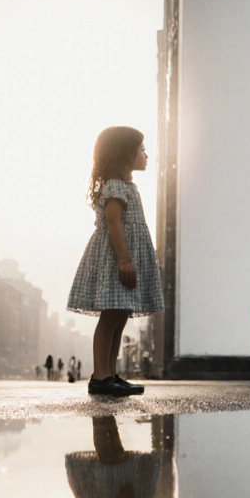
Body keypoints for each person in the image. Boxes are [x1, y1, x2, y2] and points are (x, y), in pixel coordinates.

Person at [68, 126, 162, 395]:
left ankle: (109, 373)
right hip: (115, 259)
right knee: (110, 318)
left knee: (120, 317)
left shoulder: (126, 186)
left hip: (123, 258)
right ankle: (100, 375)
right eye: (141, 149)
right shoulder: (115, 187)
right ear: (124, 154)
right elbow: (113, 222)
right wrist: (124, 260)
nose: (146, 155)